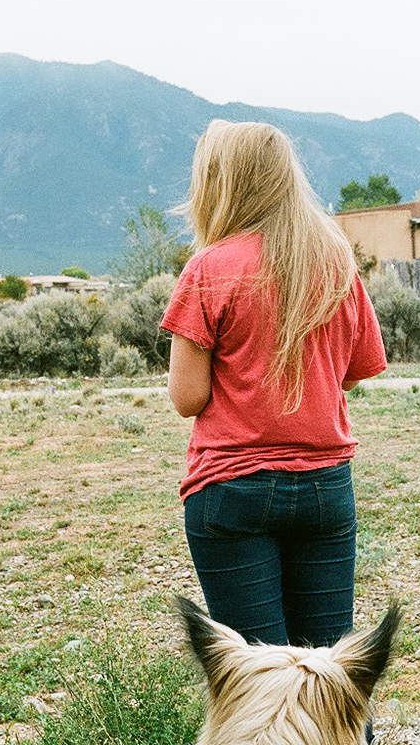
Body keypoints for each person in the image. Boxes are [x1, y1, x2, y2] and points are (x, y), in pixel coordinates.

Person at [160, 119, 387, 651]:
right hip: (326, 487)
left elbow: (185, 397)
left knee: (260, 676)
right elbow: (354, 371)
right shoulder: (334, 263)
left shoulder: (209, 268)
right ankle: (353, 741)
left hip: (232, 488)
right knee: (330, 669)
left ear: (221, 183)